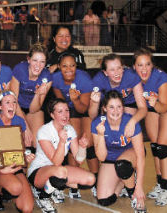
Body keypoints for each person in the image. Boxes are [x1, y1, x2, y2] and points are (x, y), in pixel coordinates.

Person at [27, 98, 95, 213]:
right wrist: (62, 142)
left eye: (67, 110)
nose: (65, 115)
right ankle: (43, 196)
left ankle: (54, 187)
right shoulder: (44, 131)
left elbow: (78, 159)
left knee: (90, 179)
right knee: (60, 172)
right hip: (38, 172)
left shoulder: (70, 129)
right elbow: (56, 162)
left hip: (58, 170)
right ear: (52, 115)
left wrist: (82, 147)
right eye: (60, 111)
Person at [133, 48, 167, 206]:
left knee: (162, 147)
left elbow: (164, 108)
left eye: (147, 64)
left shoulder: (162, 79)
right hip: (152, 106)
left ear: (152, 65)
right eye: (140, 65)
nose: (144, 69)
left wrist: (155, 103)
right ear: (134, 67)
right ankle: (160, 184)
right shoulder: (134, 78)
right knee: (155, 146)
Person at [92, 90, 146, 212]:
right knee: (104, 200)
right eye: (111, 107)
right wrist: (101, 135)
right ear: (104, 108)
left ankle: (133, 195)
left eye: (119, 107)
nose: (115, 111)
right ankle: (123, 181)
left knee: (122, 166)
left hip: (130, 155)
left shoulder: (131, 122)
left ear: (123, 108)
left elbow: (141, 156)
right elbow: (101, 157)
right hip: (111, 158)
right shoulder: (97, 123)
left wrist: (139, 188)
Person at [52, 52, 97, 199]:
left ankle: (96, 180)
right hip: (69, 110)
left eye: (72, 65)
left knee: (89, 144)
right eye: (64, 66)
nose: (68, 69)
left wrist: (76, 99)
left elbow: (83, 109)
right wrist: (66, 118)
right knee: (74, 142)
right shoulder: (56, 79)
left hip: (85, 107)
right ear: (59, 67)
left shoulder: (84, 79)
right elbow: (61, 104)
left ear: (76, 66)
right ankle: (72, 181)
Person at [0, 90, 34, 213]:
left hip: (14, 165)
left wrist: (26, 157)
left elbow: (21, 147)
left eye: (14, 102)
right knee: (16, 188)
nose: (12, 105)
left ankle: (6, 188)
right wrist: (1, 169)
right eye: (7, 102)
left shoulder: (19, 121)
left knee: (27, 208)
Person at [89, 53, 147, 138]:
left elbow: (143, 108)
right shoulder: (98, 80)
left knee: (126, 126)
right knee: (107, 125)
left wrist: (132, 122)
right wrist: (94, 102)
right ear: (105, 72)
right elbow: (92, 116)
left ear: (123, 68)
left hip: (128, 103)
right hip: (110, 105)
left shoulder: (131, 76)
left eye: (119, 68)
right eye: (112, 70)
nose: (117, 73)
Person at [10, 43, 52, 148]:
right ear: (29, 59)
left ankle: (37, 163)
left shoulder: (47, 77)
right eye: (35, 60)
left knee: (37, 142)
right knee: (23, 138)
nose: (38, 65)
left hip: (33, 109)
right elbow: (13, 100)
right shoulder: (19, 69)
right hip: (16, 107)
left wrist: (37, 94)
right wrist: (26, 127)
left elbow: (34, 109)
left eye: (42, 62)